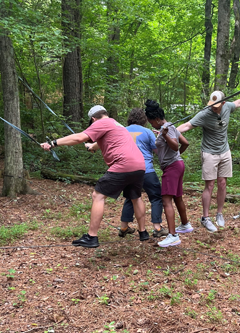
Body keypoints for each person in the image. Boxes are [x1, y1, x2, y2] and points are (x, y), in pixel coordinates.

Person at [40, 105, 149, 247]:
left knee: (98, 196)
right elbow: (103, 141)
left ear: (93, 119)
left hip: (123, 164)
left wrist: (53, 143)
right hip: (139, 165)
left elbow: (79, 138)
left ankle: (92, 237)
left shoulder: (101, 123)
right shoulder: (117, 124)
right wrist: (92, 146)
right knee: (136, 197)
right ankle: (143, 232)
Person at [176, 89, 240, 232]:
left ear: (223, 103)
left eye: (216, 105)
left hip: (224, 151)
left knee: (222, 183)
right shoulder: (205, 114)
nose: (213, 107)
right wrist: (171, 131)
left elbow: (237, 103)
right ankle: (205, 218)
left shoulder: (227, 107)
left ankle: (219, 214)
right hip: (209, 153)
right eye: (212, 105)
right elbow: (187, 125)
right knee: (210, 185)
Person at [145, 99, 193, 247]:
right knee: (177, 197)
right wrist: (162, 135)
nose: (151, 124)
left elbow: (176, 146)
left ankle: (173, 235)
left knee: (166, 200)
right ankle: (185, 225)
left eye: (151, 122)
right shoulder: (168, 127)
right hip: (177, 165)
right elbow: (185, 143)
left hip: (172, 167)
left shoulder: (167, 128)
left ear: (157, 119)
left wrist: (164, 136)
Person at [119, 108, 168, 239]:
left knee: (131, 197)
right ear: (144, 119)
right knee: (156, 197)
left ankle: (124, 226)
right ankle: (157, 227)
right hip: (146, 169)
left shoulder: (122, 131)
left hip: (128, 170)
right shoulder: (147, 132)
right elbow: (157, 151)